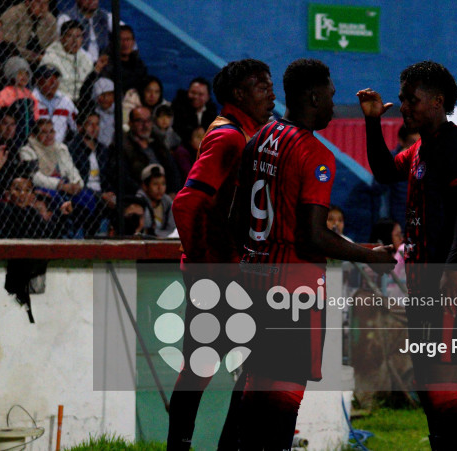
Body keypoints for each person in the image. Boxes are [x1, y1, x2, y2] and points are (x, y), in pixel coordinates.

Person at [231, 58, 395, 450]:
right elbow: (312, 237)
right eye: (331, 97)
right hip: (293, 286)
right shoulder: (314, 153)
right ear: (313, 96)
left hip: (254, 279)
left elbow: (237, 216)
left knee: (257, 382)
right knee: (286, 390)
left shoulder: (260, 137)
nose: (333, 106)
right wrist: (369, 256)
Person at [358, 60, 457, 449]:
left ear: (437, 101)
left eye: (411, 99)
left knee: (443, 380)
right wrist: (371, 122)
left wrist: (454, 269)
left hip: (449, 281)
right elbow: (382, 171)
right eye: (402, 99)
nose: (405, 106)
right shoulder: (418, 150)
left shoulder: (455, 142)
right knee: (428, 379)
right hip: (423, 283)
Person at [166, 58, 277, 451]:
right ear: (237, 94)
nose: (271, 91)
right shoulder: (230, 136)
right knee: (249, 366)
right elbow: (187, 203)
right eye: (260, 84)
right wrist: (202, 266)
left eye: (270, 82)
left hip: (228, 270)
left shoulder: (244, 132)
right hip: (221, 273)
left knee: (203, 367)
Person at [107, 106, 180, 196]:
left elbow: (173, 170)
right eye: (140, 121)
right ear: (130, 123)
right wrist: (143, 192)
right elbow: (122, 177)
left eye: (148, 121)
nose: (145, 125)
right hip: (138, 195)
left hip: (163, 194)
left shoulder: (157, 141)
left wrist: (173, 191)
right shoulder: (121, 145)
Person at [18, 118, 84, 195]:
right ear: (34, 135)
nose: (49, 136)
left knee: (88, 197)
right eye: (44, 132)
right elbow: (35, 178)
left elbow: (71, 169)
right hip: (44, 187)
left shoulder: (60, 148)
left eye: (51, 131)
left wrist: (77, 183)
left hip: (67, 185)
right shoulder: (27, 151)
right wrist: (60, 185)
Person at [41, 20, 93, 102]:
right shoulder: (50, 57)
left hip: (83, 102)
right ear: (61, 38)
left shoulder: (86, 57)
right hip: (59, 102)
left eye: (78, 36)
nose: (75, 41)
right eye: (70, 36)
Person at [1, 0, 58, 65]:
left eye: (45, 3)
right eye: (38, 2)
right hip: (16, 60)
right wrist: (37, 57)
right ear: (27, 2)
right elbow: (9, 47)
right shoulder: (12, 15)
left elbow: (55, 47)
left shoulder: (50, 20)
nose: (43, 7)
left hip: (42, 61)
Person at [32, 64, 78, 144]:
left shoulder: (65, 101)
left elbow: (77, 126)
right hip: (36, 147)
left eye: (56, 78)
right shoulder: (30, 100)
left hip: (60, 149)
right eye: (48, 78)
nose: (53, 82)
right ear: (37, 80)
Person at [171, 77, 218, 144]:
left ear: (207, 97)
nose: (196, 97)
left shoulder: (212, 111)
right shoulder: (178, 108)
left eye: (200, 94)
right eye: (193, 93)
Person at [136, 164, 174, 238]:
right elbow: (145, 230)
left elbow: (172, 229)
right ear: (145, 186)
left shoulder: (167, 202)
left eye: (163, 184)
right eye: (155, 184)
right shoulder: (139, 201)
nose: (160, 188)